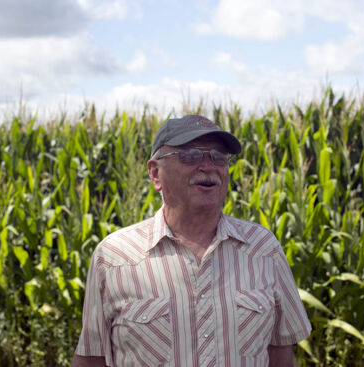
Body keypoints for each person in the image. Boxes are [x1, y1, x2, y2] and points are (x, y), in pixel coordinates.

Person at [71, 114, 311, 367]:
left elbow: (281, 355)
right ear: (155, 174)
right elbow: (91, 358)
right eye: (191, 155)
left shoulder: (263, 249)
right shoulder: (114, 257)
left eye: (218, 157)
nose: (208, 166)